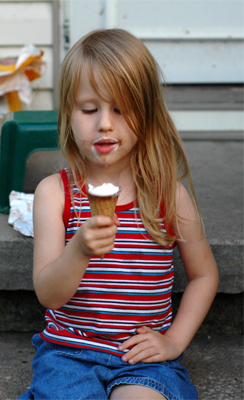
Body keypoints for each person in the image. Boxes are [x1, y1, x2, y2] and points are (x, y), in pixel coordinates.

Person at [18, 29, 219, 400]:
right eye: (89, 109)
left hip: (142, 358)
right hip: (69, 353)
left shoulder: (167, 196)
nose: (105, 123)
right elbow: (49, 295)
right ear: (69, 113)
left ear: (147, 114)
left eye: (121, 109)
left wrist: (173, 341)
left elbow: (204, 274)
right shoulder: (55, 194)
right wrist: (78, 250)